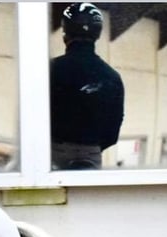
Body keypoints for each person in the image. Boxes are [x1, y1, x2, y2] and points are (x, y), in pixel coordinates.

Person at [50, 3, 124, 170]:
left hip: (55, 152)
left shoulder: (50, 70)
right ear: (97, 35)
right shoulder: (112, 77)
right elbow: (113, 132)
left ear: (65, 34)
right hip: (91, 155)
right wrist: (91, 147)